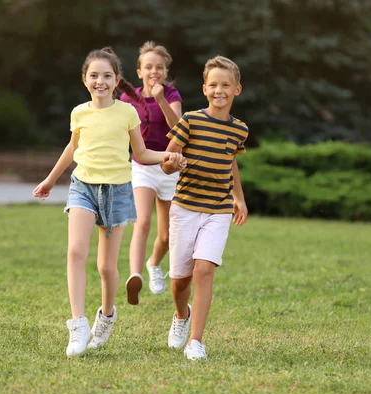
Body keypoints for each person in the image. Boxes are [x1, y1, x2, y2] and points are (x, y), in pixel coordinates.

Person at [32, 47, 186, 358]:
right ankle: (77, 324)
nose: (99, 81)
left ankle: (106, 315)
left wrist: (168, 155)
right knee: (75, 250)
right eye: (94, 75)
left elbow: (141, 154)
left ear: (117, 80)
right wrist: (50, 179)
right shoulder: (79, 113)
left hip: (117, 191)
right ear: (84, 79)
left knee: (105, 267)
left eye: (106, 76)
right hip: (83, 188)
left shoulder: (127, 112)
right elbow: (72, 148)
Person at [161, 55, 249, 361]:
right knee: (179, 281)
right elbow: (167, 163)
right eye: (213, 85)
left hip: (218, 210)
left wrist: (238, 197)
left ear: (237, 89)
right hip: (185, 208)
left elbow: (231, 162)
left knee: (204, 269)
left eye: (225, 85)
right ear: (204, 88)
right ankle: (181, 315)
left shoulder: (239, 130)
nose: (219, 90)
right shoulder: (190, 121)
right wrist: (175, 162)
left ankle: (195, 341)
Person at [118, 41, 183, 305]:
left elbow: (178, 128)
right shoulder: (127, 98)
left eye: (159, 67)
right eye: (148, 67)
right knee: (142, 222)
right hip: (142, 167)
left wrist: (159, 99)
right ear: (139, 71)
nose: (154, 71)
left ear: (165, 72)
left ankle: (154, 264)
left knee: (167, 236)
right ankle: (135, 276)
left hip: (169, 165)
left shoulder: (171, 95)